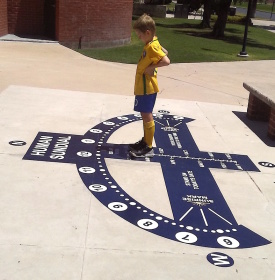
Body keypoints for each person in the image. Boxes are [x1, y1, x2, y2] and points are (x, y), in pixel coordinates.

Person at [129, 14, 170, 158]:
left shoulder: (152, 46)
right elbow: (164, 51)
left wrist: (152, 67)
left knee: (147, 115)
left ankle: (148, 147)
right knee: (144, 114)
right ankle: (145, 141)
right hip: (143, 86)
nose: (139, 38)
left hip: (147, 87)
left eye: (139, 35)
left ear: (147, 33)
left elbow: (166, 60)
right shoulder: (152, 42)